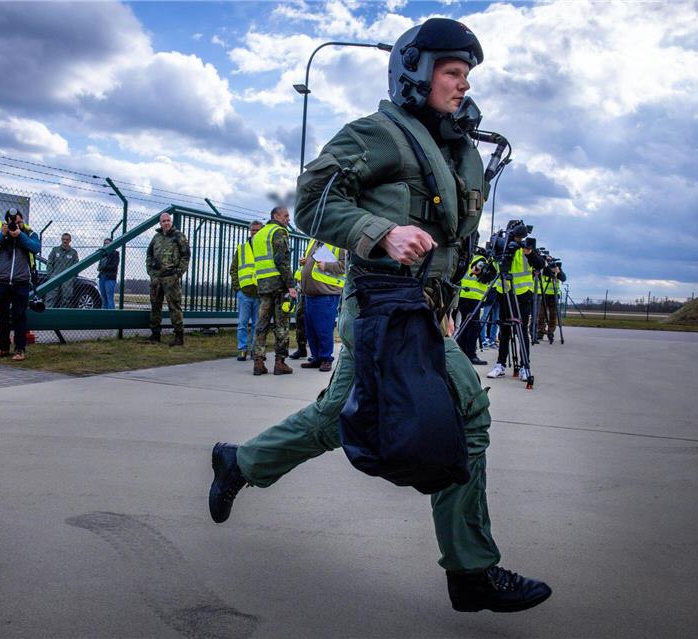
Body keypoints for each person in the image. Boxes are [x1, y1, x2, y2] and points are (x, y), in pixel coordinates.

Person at [208, 19, 551, 613]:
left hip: (420, 307)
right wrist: (381, 232)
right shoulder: (378, 135)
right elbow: (312, 199)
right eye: (452, 71)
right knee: (467, 406)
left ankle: (240, 462)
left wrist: (443, 305)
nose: (462, 85)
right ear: (415, 71)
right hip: (380, 301)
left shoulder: (452, 149)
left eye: (467, 75)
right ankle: (470, 569)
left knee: (336, 415)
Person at [487, 225, 547, 381]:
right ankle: (500, 364)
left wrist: (530, 253)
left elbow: (540, 265)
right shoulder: (501, 247)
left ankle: (524, 367)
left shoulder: (525, 248)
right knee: (505, 331)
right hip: (504, 293)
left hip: (522, 296)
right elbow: (495, 267)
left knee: (521, 332)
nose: (517, 240)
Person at [0, 208, 41, 361]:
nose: (15, 224)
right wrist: (2, 235)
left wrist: (20, 235)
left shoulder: (30, 233)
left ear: (22, 220)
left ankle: (20, 350)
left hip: (20, 282)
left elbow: (36, 248)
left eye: (19, 221)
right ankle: (2, 348)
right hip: (0, 281)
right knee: (1, 317)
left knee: (19, 316)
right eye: (13, 222)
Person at [250, 206, 297, 375]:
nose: (288, 219)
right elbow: (281, 261)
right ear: (276, 216)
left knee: (261, 324)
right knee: (282, 324)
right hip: (278, 285)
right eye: (285, 216)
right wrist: (291, 285)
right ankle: (280, 362)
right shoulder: (278, 232)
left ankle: (258, 362)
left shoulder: (259, 234)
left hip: (263, 285)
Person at [297, 239, 345, 372]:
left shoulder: (340, 243)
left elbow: (345, 266)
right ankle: (316, 357)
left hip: (326, 292)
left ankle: (326, 359)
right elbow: (313, 263)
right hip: (309, 293)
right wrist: (305, 263)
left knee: (323, 329)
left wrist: (327, 266)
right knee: (311, 329)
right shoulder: (314, 241)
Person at [146, 212, 190, 346]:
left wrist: (178, 273)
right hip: (157, 278)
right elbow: (149, 255)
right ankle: (155, 334)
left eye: (168, 220)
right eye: (163, 221)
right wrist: (151, 272)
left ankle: (178, 336)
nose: (166, 223)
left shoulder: (179, 236)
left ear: (171, 222)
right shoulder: (156, 237)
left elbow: (186, 256)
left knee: (174, 306)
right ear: (160, 223)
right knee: (155, 306)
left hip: (171, 278)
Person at [230, 220, 263, 360]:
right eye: (253, 230)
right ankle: (242, 349)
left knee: (257, 324)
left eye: (257, 230)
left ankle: (255, 350)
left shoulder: (265, 249)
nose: (255, 233)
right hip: (244, 293)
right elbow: (234, 269)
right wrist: (237, 288)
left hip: (260, 293)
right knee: (242, 323)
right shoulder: (242, 248)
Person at [454, 251, 488, 365]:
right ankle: (470, 354)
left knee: (465, 324)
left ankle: (461, 352)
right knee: (473, 326)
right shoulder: (482, 259)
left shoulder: (469, 256)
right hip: (473, 297)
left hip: (464, 295)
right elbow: (479, 273)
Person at [536, 258, 566, 344]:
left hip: (554, 294)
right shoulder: (543, 267)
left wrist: (558, 271)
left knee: (553, 315)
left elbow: (563, 278)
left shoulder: (556, 268)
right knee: (540, 315)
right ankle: (540, 332)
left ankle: (550, 332)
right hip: (543, 293)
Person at [46, 232, 79, 308]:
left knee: (66, 298)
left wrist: (72, 277)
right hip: (55, 277)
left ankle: (63, 316)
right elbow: (49, 263)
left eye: (67, 239)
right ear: (61, 240)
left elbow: (76, 266)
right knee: (51, 297)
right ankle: (48, 314)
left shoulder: (73, 252)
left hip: (67, 279)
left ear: (70, 240)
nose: (65, 241)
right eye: (63, 239)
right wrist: (50, 275)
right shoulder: (55, 250)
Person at [98, 237, 119, 310]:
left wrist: (103, 268)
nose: (106, 245)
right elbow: (100, 265)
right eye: (105, 243)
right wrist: (100, 268)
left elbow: (113, 266)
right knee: (103, 298)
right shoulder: (102, 254)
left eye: (108, 243)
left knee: (109, 297)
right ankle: (104, 315)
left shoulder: (115, 253)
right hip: (102, 276)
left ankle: (111, 315)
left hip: (110, 277)